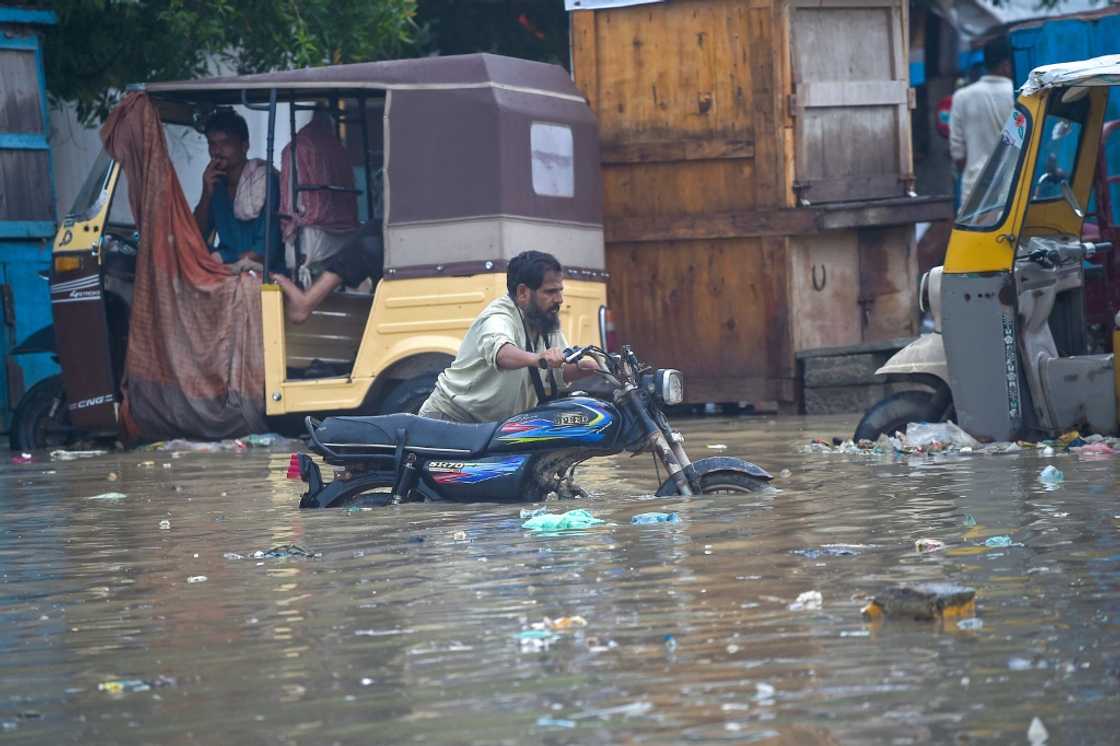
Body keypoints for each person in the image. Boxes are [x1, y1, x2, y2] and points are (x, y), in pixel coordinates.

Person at [415, 251, 599, 423]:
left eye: (560, 290)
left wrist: (584, 368)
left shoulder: (544, 319)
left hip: (497, 426)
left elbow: (554, 371)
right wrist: (538, 358)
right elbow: (502, 353)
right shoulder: (498, 317)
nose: (559, 299)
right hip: (451, 418)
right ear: (523, 292)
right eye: (550, 291)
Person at [193, 108, 282, 273]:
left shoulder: (265, 181)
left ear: (244, 146)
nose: (217, 152)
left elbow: (265, 251)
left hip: (264, 272)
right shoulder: (216, 184)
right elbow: (196, 237)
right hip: (222, 265)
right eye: (212, 144)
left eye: (225, 144)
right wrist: (206, 193)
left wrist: (221, 265)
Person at [950, 36, 1015, 206]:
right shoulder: (1017, 96)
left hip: (973, 191)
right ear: (1006, 65)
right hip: (1011, 190)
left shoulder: (961, 97)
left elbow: (958, 154)